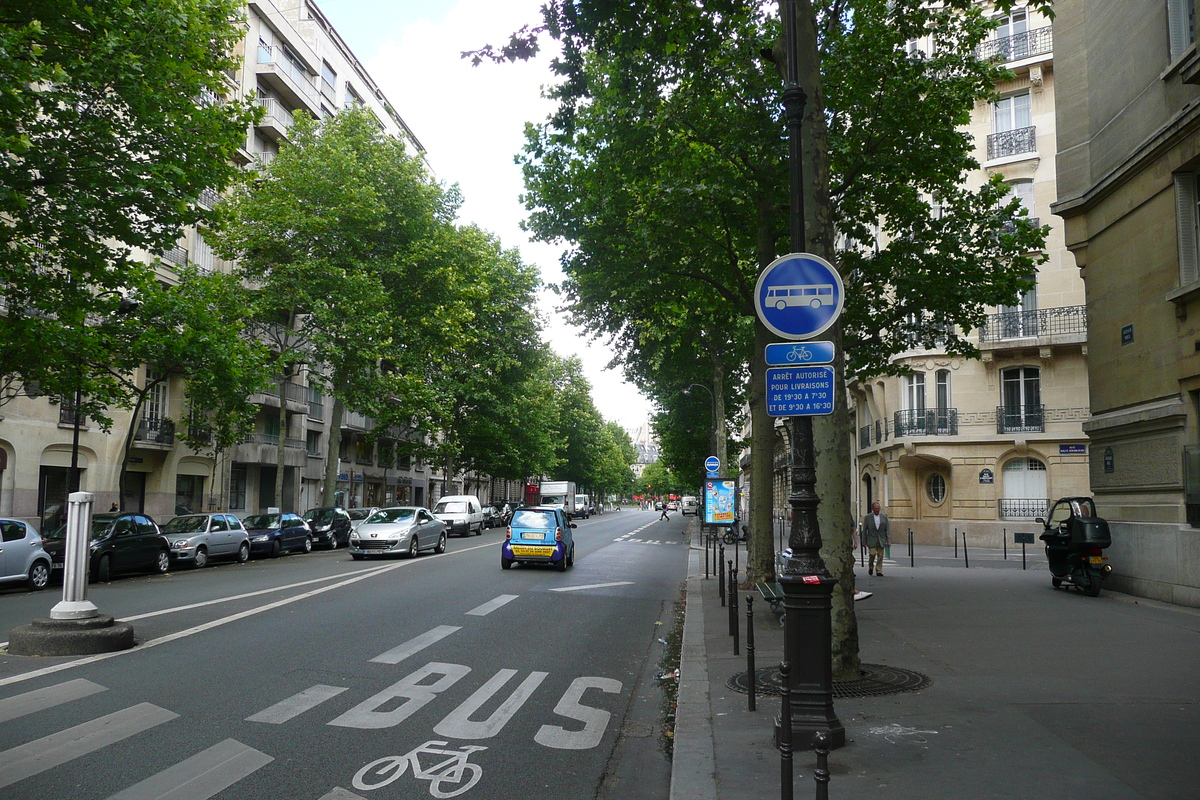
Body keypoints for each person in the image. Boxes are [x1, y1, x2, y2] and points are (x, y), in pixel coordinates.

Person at [862, 501, 890, 576]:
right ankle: (871, 566)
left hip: (881, 539)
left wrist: (888, 541)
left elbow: (887, 530)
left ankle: (879, 570)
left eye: (879, 508)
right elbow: (864, 530)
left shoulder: (884, 517)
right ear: (873, 509)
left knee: (880, 556)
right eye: (876, 508)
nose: (878, 510)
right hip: (871, 539)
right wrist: (863, 541)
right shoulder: (868, 517)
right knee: (872, 554)